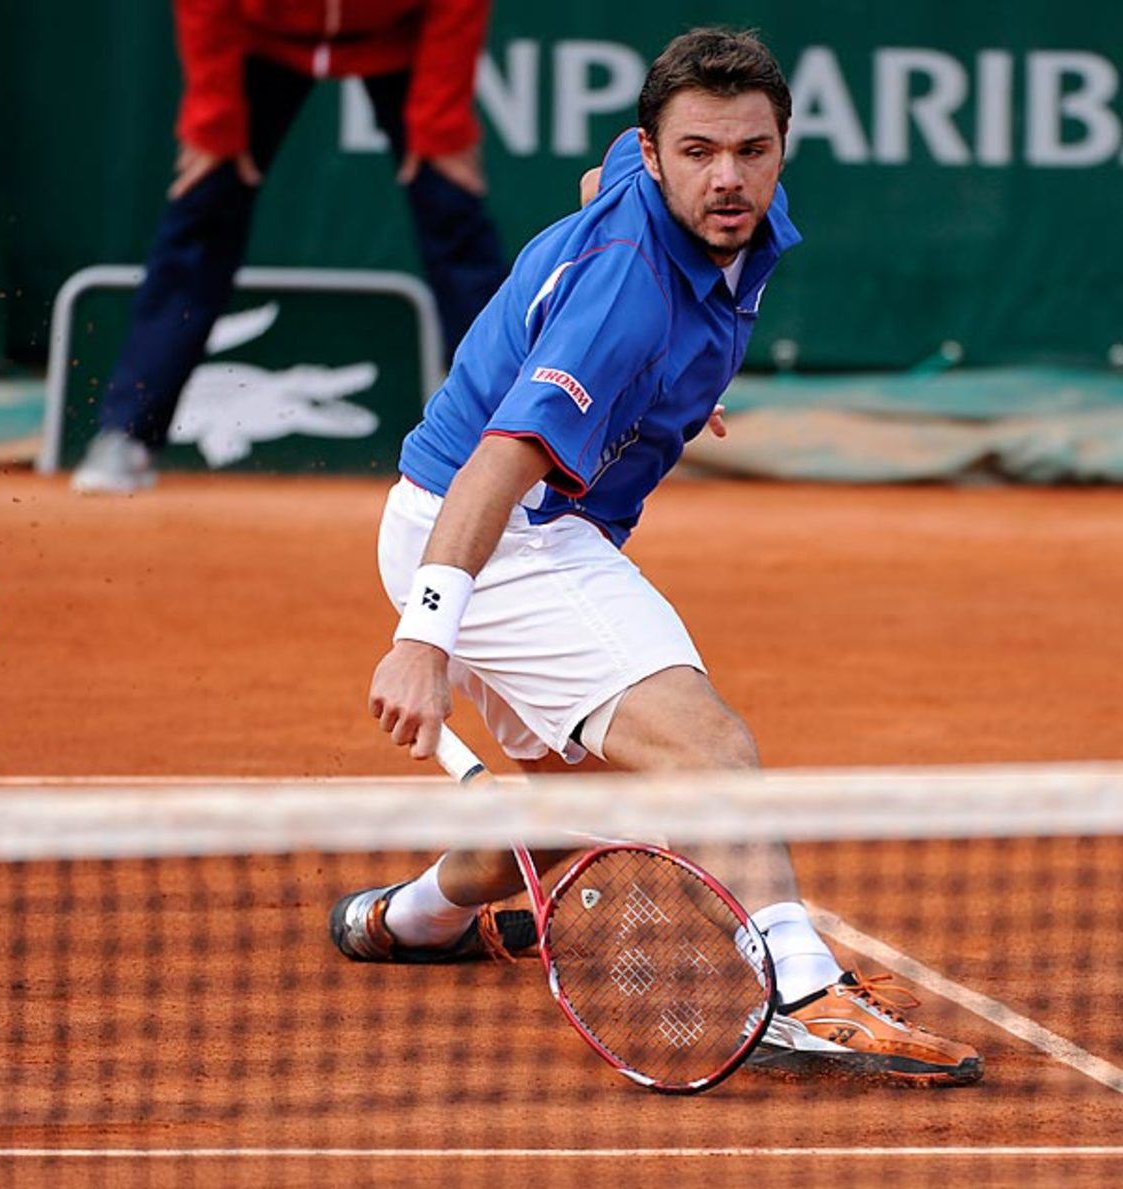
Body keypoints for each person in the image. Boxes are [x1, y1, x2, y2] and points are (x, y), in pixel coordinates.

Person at [330, 27, 983, 1087]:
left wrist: (678, 376)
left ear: (781, 146)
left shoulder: (682, 184)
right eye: (698, 154)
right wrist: (423, 633)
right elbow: (497, 466)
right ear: (659, 146)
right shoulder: (626, 294)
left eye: (751, 150)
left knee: (584, 805)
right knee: (707, 749)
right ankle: (801, 992)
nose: (727, 177)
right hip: (504, 535)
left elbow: (605, 173)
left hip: (495, 522)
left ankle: (410, 919)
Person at [71, 0, 508, 495]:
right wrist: (215, 122)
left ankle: (506, 433)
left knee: (450, 203)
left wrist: (439, 128)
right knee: (204, 209)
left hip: (400, 33)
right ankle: (127, 432)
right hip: (258, 34)